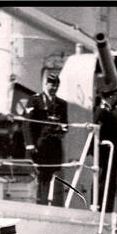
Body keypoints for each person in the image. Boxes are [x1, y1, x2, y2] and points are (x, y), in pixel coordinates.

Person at [25, 71, 69, 205]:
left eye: (56, 86)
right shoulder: (35, 100)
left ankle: (45, 202)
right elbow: (26, 123)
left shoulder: (61, 104)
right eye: (52, 85)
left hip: (53, 146)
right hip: (40, 146)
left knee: (49, 176)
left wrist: (62, 130)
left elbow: (65, 124)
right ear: (45, 84)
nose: (54, 88)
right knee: (40, 176)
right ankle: (39, 202)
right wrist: (30, 144)